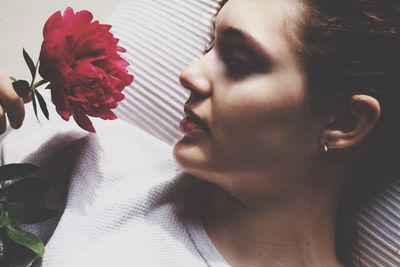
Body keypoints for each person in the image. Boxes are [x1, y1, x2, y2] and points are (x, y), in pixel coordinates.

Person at [1, 0, 399, 266]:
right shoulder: (87, 159)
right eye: (209, 46)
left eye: (240, 60)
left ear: (345, 122)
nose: (189, 73)